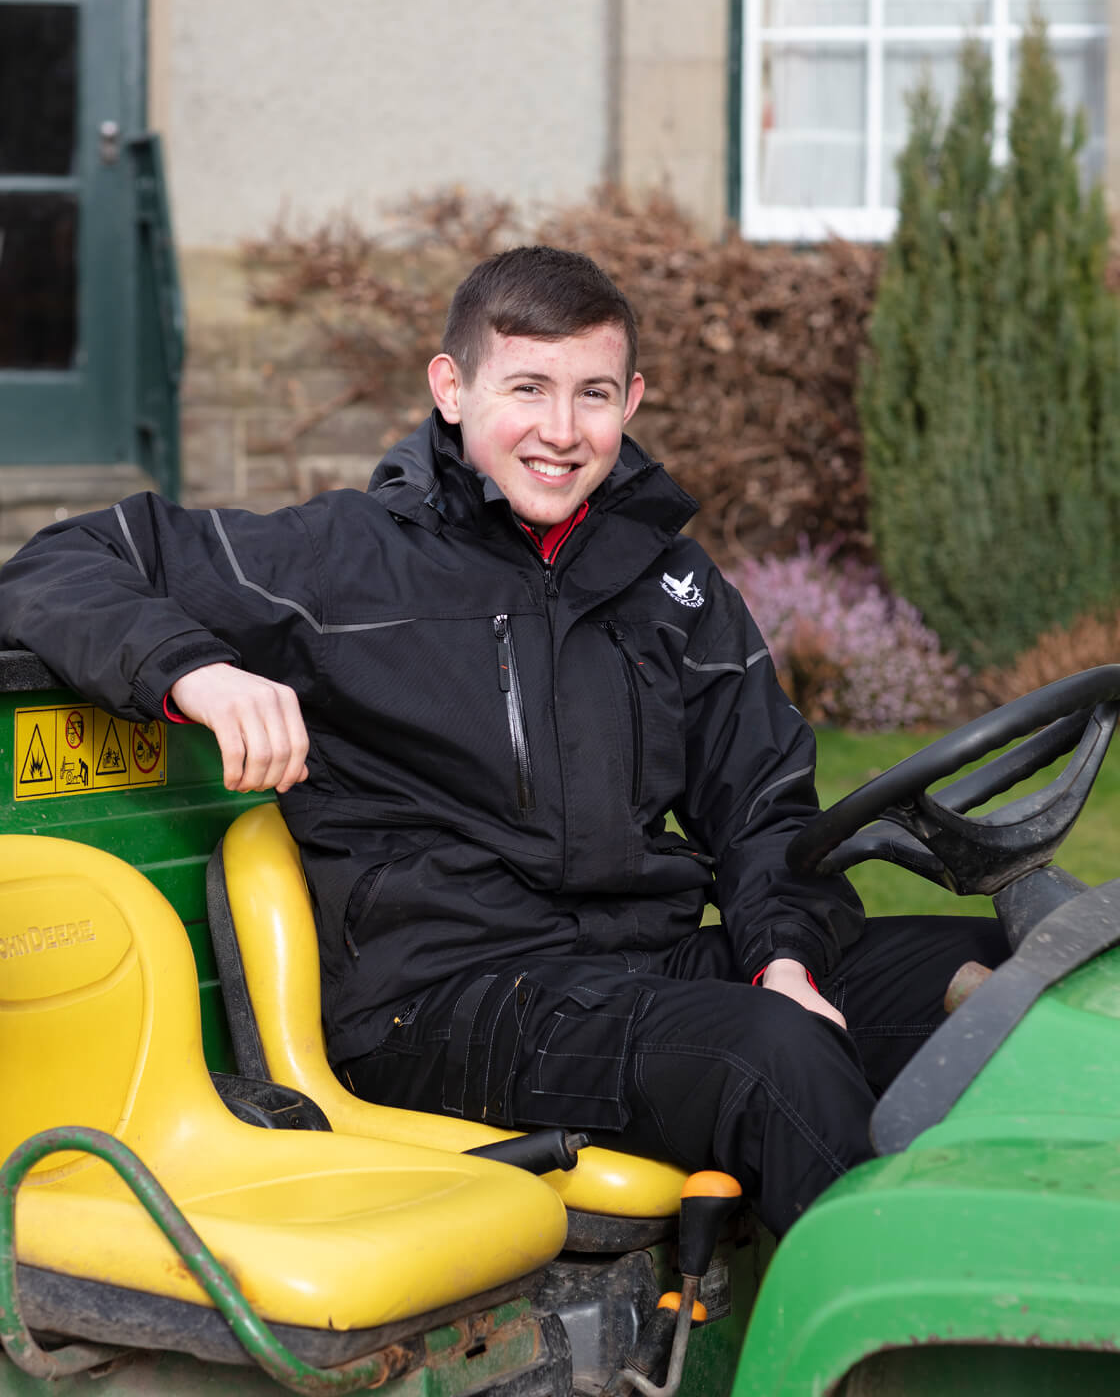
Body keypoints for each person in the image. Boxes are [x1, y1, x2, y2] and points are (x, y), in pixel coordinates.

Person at [0, 246, 1004, 1235]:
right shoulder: (343, 560)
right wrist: (195, 671)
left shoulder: (674, 588)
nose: (560, 431)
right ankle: (897, 1314)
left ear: (631, 401)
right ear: (452, 389)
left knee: (1003, 972)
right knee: (766, 1054)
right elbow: (62, 561)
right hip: (441, 1002)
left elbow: (763, 811)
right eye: (527, 388)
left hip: (640, 969)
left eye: (592, 394)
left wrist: (785, 958)